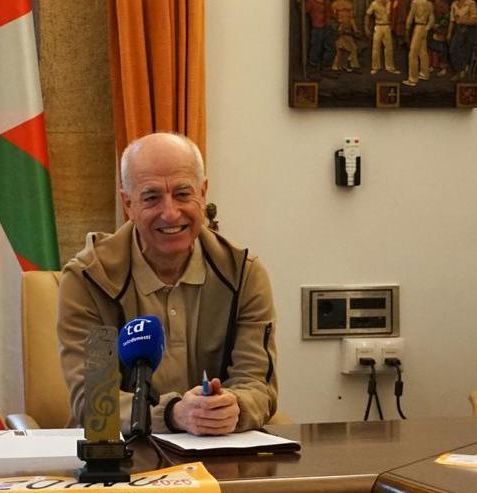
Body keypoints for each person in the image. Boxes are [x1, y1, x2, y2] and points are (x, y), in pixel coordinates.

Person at [57, 133, 278, 436]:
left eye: (183, 194)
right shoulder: (89, 279)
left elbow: (258, 385)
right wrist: (173, 415)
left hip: (218, 450)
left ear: (203, 194)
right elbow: (96, 403)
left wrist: (231, 406)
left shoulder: (243, 274)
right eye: (151, 197)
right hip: (120, 452)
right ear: (128, 204)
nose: (171, 213)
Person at [403, 0, 435, 86]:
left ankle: (413, 79)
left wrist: (407, 29)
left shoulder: (415, 2)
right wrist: (427, 28)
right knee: (423, 52)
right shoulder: (429, 4)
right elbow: (432, 20)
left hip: (418, 28)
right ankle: (425, 73)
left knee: (413, 54)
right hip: (424, 28)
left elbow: (410, 17)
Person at [364, 0, 400, 75]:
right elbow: (367, 15)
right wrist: (366, 28)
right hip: (378, 26)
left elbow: (393, 14)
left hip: (387, 26)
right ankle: (375, 67)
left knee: (389, 48)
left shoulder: (389, 2)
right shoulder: (374, 3)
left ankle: (390, 67)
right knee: (376, 47)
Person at [447, 0, 477, 81]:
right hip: (458, 29)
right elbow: (452, 20)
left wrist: (462, 21)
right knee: (453, 50)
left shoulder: (470, 3)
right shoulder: (454, 4)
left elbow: (475, 20)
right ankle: (460, 69)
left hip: (469, 30)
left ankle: (463, 71)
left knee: (463, 49)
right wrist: (449, 33)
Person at [331, 0, 362, 73]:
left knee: (349, 48)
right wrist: (338, 27)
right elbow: (333, 17)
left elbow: (351, 19)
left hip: (348, 29)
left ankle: (346, 66)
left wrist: (355, 29)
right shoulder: (335, 4)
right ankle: (337, 67)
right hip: (340, 28)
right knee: (341, 49)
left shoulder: (349, 4)